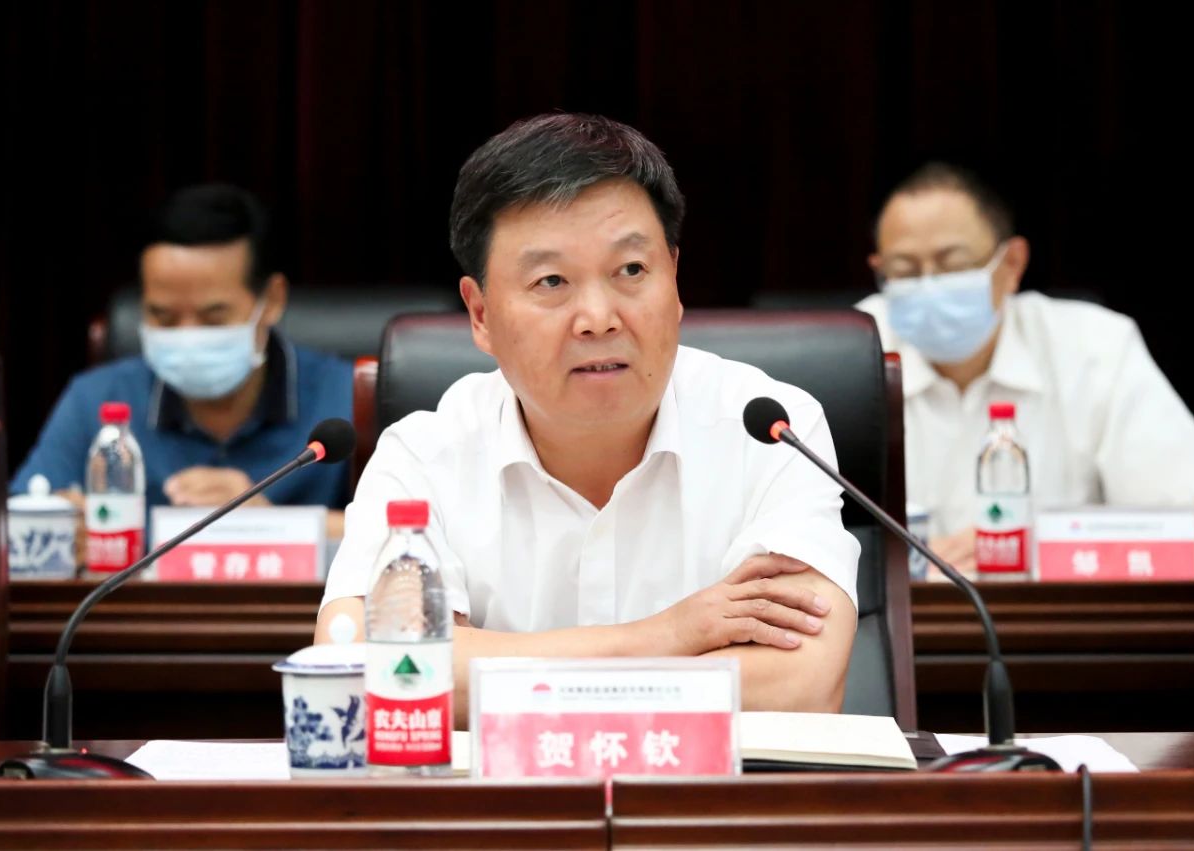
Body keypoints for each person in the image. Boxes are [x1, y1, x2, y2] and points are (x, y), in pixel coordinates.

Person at [317, 113, 860, 720]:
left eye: (631, 271)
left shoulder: (771, 432)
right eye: (551, 281)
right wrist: (667, 635)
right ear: (480, 314)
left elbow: (800, 684)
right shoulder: (424, 456)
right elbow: (359, 668)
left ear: (674, 279)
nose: (599, 318)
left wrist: (475, 666)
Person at [857, 162, 1194, 572]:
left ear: (1012, 264)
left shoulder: (1095, 349)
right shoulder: (853, 353)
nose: (929, 286)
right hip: (904, 613)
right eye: (904, 271)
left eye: (953, 265)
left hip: (1056, 610)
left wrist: (1038, 546)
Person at [12, 184, 352, 539]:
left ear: (272, 300)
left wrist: (271, 525)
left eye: (213, 318)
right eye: (164, 317)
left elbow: (391, 531)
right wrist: (61, 528)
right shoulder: (96, 399)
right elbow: (15, 522)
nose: (188, 336)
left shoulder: (346, 398)